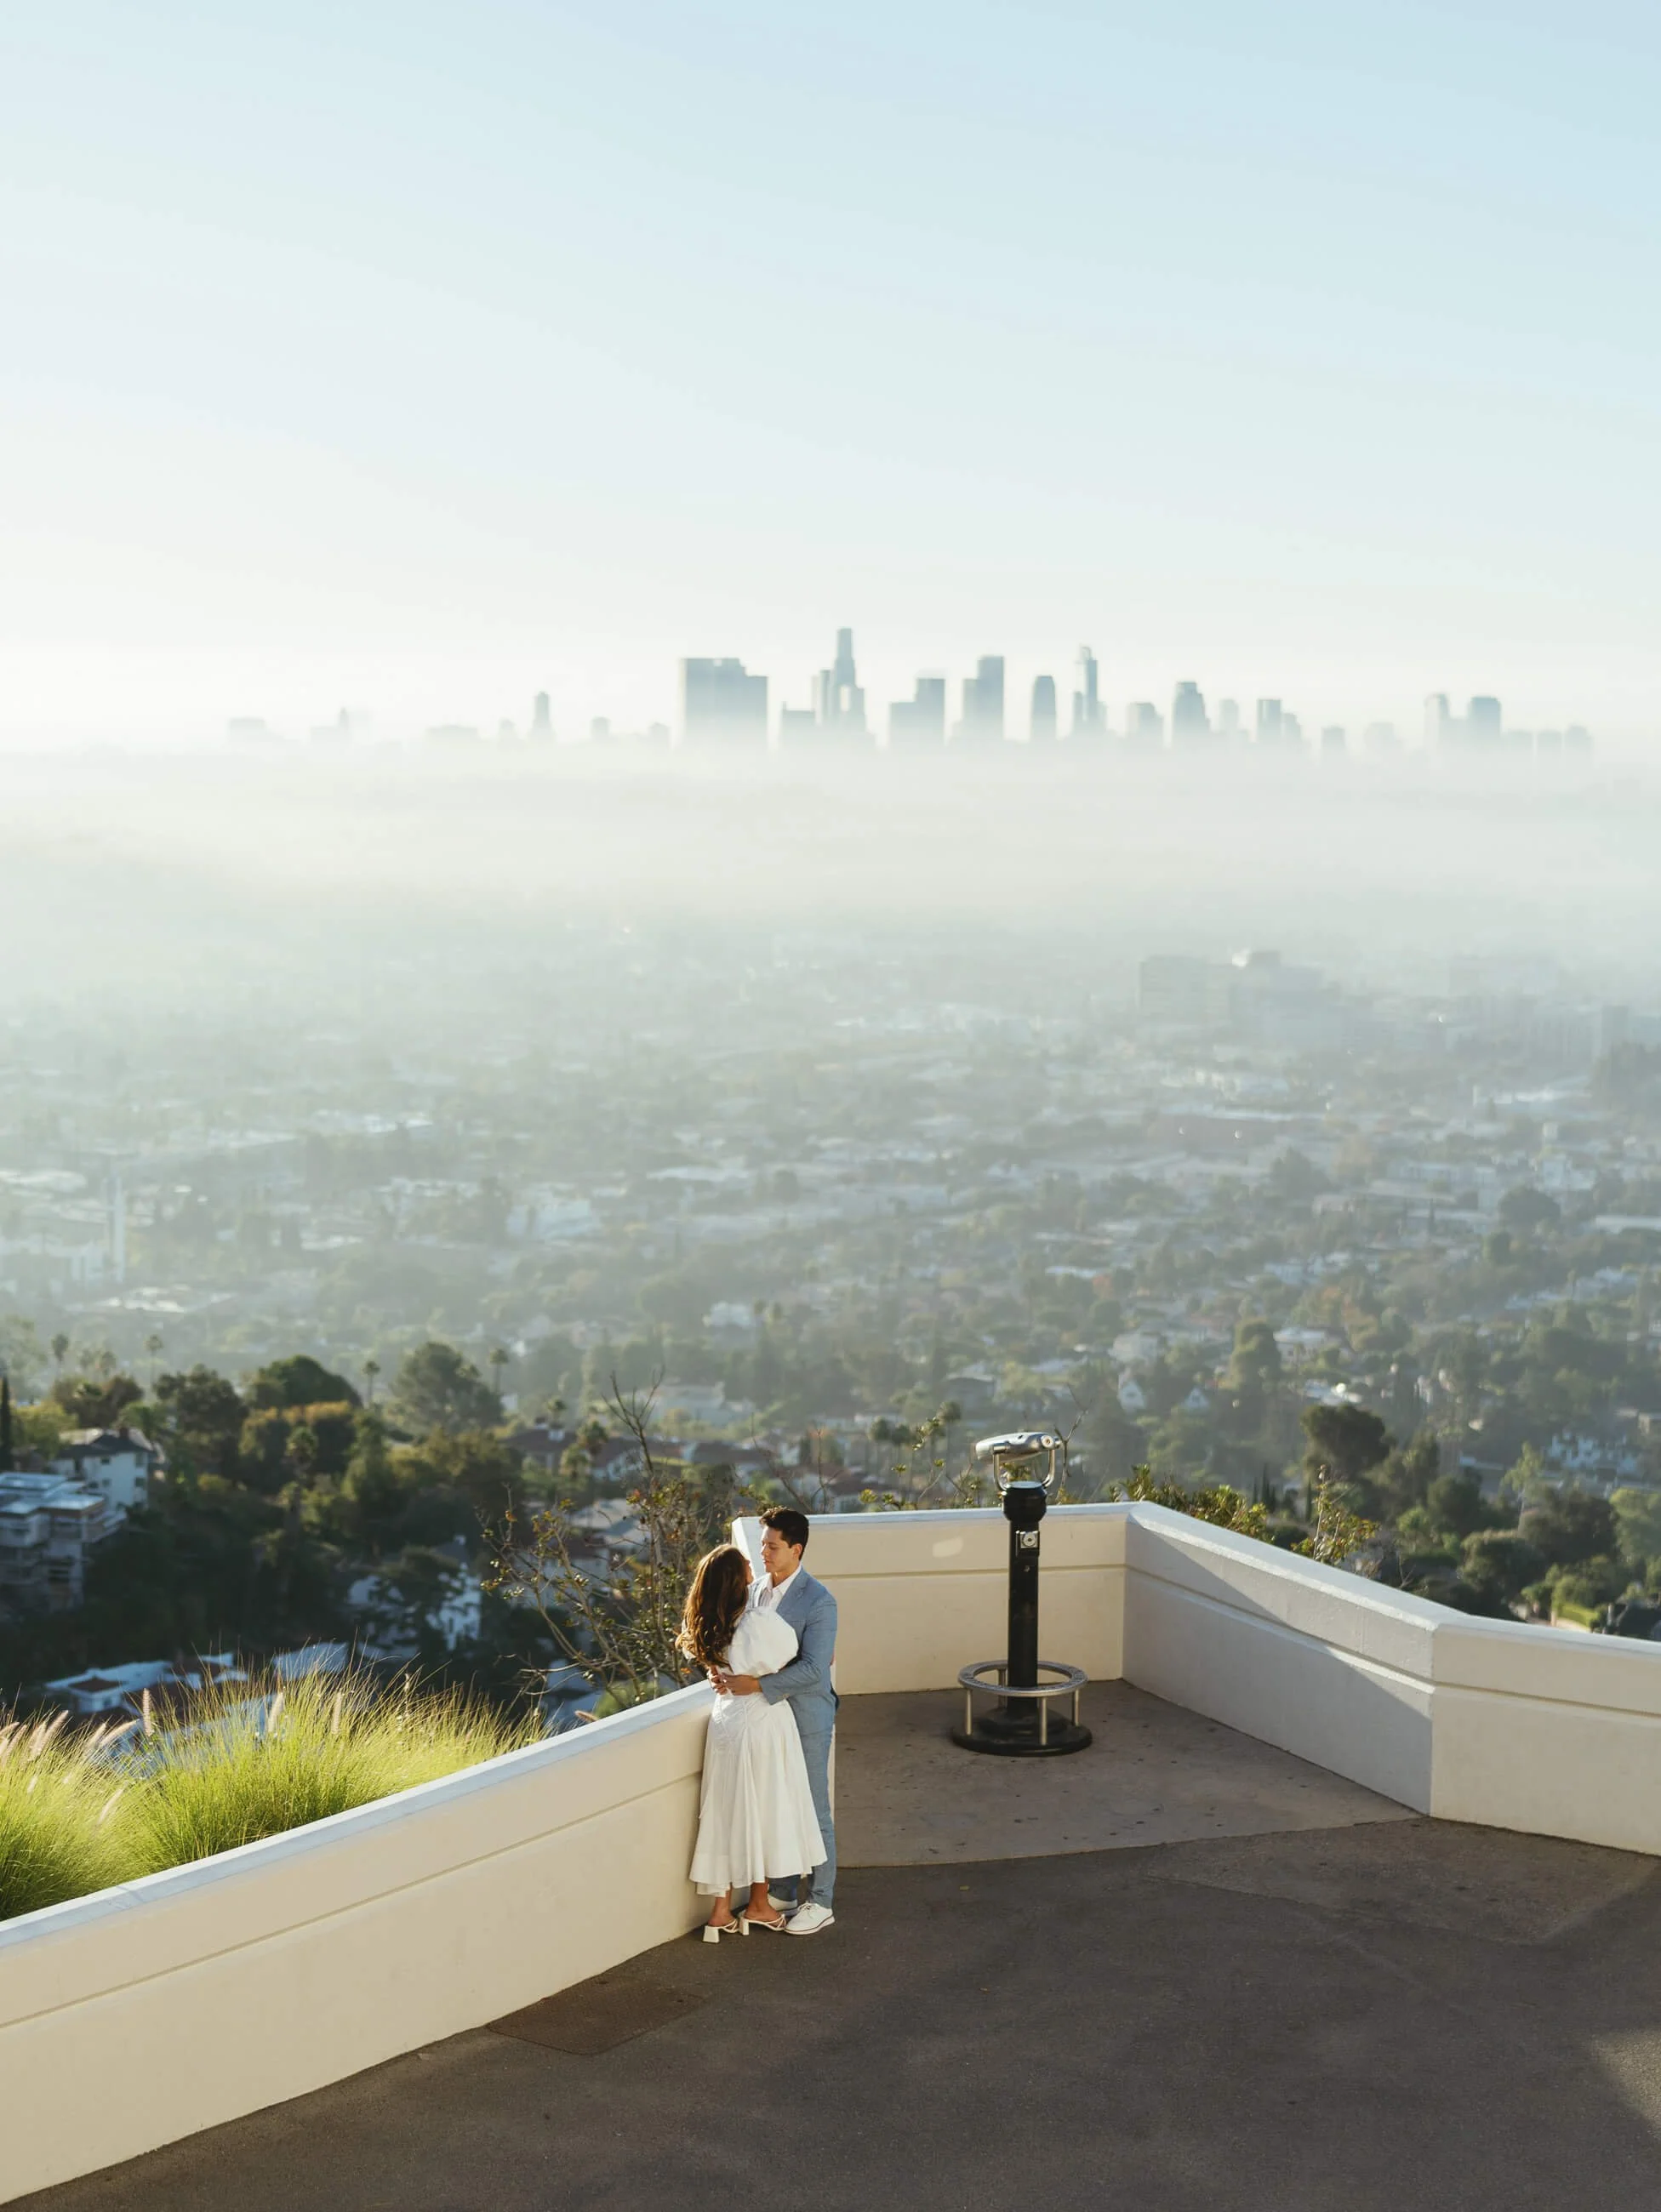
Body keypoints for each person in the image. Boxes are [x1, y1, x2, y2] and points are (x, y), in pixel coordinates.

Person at [680, 1542, 825, 1941]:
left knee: (726, 1811)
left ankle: (720, 1912)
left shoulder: (708, 1624)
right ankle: (759, 1905)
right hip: (762, 1720)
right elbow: (793, 1655)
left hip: (725, 1721)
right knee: (765, 1808)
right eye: (746, 1562)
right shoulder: (757, 1621)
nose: (753, 1564)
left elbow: (720, 1667)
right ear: (736, 1577)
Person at [711, 1507, 837, 1936]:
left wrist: (757, 1684)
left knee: (814, 1808)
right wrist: (722, 1673)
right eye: (762, 1544)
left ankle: (821, 1900)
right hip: (766, 1719)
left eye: (772, 1546)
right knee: (777, 1805)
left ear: (796, 1549)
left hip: (806, 1716)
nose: (763, 1553)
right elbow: (739, 1643)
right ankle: (781, 1890)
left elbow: (816, 1670)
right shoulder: (754, 1591)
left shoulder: (820, 1601)